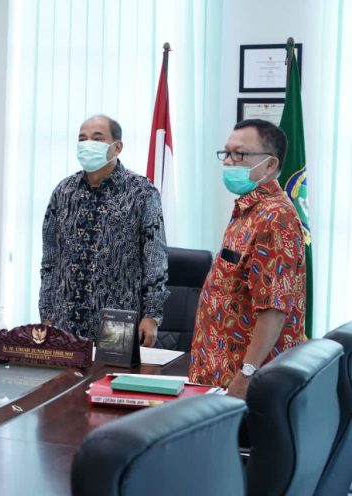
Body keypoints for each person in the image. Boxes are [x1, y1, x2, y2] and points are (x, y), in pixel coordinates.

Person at [189, 119, 306, 399]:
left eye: (239, 154)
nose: (229, 162)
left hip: (245, 384)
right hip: (217, 372)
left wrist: (246, 376)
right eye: (227, 153)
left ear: (269, 165)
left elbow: (273, 310)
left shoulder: (276, 217)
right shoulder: (249, 210)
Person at [39, 114, 169, 347]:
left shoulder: (141, 192)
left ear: (117, 147)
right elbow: (50, 260)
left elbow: (155, 259)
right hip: (65, 318)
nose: (88, 144)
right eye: (82, 138)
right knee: (63, 382)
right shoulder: (64, 191)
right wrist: (46, 312)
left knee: (109, 380)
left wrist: (151, 315)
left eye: (97, 139)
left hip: (118, 319)